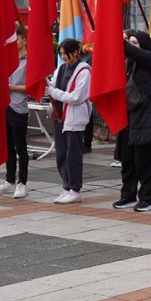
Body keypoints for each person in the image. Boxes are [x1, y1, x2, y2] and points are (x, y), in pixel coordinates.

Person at [113, 30, 151, 213]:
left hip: (145, 116)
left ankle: (146, 198)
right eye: (130, 42)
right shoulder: (128, 63)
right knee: (127, 158)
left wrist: (117, 39)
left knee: (143, 160)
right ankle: (128, 195)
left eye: (135, 42)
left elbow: (135, 53)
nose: (132, 45)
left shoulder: (150, 59)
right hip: (128, 115)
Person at [48, 38, 91, 203]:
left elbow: (76, 97)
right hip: (59, 116)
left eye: (66, 54)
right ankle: (66, 186)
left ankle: (75, 188)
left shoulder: (84, 71)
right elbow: (52, 85)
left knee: (73, 155)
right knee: (61, 154)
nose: (64, 57)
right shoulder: (61, 68)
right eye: (61, 54)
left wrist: (53, 92)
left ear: (76, 53)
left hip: (74, 119)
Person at [0, 24, 30, 199]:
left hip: (18, 107)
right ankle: (9, 180)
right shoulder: (8, 58)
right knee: (7, 146)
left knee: (20, 146)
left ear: (25, 40)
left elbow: (31, 87)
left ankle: (22, 183)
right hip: (4, 105)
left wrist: (10, 87)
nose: (15, 42)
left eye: (18, 38)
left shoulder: (29, 62)